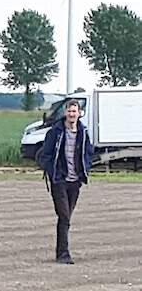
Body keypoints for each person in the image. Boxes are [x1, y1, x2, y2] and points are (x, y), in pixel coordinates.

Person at [38, 99, 94, 264]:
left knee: (66, 217)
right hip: (59, 180)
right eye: (69, 111)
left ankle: (61, 253)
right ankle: (63, 254)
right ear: (65, 113)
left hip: (75, 181)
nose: (71, 114)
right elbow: (45, 154)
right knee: (64, 215)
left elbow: (88, 153)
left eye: (74, 111)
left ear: (79, 113)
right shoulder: (55, 132)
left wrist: (85, 168)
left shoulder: (83, 133)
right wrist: (52, 171)